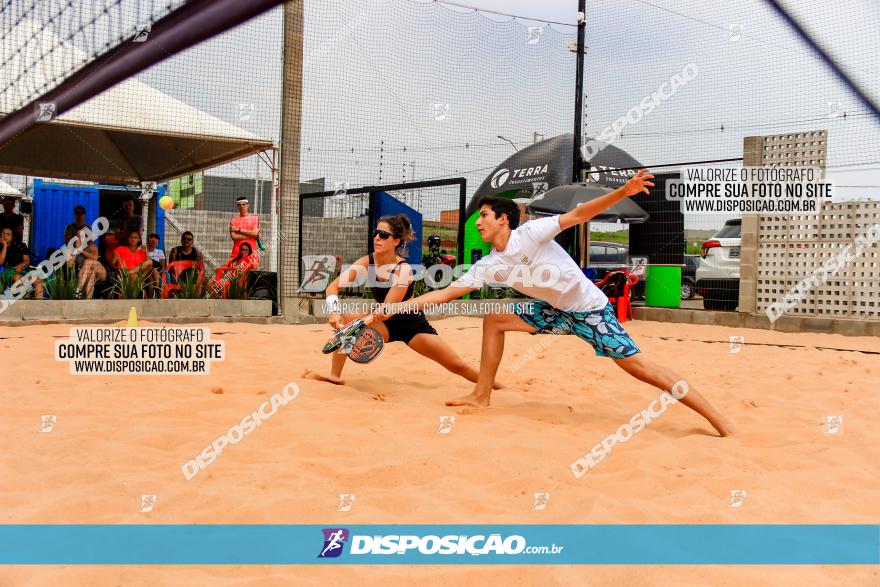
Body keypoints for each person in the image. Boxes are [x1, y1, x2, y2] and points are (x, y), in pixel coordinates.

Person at [375, 170, 734, 437]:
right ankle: (481, 395)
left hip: (590, 311)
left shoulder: (530, 232)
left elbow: (579, 214)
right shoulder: (489, 263)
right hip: (555, 312)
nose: (479, 222)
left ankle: (716, 417)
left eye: (484, 216)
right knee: (495, 319)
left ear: (503, 219)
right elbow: (446, 293)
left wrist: (624, 190)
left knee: (640, 367)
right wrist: (397, 307)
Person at [305, 214, 503, 389]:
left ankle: (499, 387)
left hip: (409, 322)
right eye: (376, 233)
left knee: (456, 365)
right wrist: (334, 312)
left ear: (396, 241)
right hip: (383, 321)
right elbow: (332, 288)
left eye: (384, 235)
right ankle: (334, 375)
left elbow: (388, 309)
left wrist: (355, 326)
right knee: (347, 322)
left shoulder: (404, 269)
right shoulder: (367, 261)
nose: (377, 237)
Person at [0, 227, 42, 298]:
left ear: (12, 237)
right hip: (9, 272)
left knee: (38, 279)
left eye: (8, 234)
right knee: (18, 278)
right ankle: (26, 299)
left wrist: (21, 265)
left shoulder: (21, 245)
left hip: (22, 270)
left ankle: (39, 304)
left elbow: (27, 260)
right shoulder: (1, 246)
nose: (5, 236)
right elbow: (0, 262)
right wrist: (5, 246)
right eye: (3, 233)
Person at [229, 196, 260, 269]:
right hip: (237, 254)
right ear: (237, 206)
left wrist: (238, 230)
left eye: (244, 204)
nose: (241, 206)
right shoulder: (233, 220)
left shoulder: (255, 219)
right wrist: (251, 235)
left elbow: (255, 234)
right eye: (239, 205)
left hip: (252, 254)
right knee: (236, 278)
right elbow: (234, 237)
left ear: (248, 205)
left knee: (251, 277)